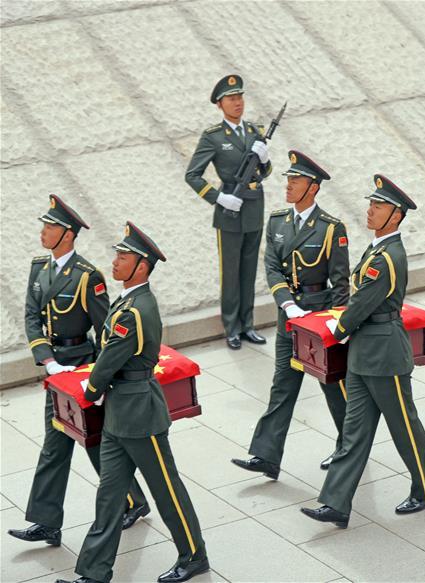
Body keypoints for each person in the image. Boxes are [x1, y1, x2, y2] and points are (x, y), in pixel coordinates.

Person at [61, 223, 208, 583]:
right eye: (117, 255)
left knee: (167, 491)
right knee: (110, 497)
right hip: (119, 414)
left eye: (123, 257)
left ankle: (194, 555)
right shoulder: (127, 300)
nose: (115, 262)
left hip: (140, 415)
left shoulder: (135, 311)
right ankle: (94, 572)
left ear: (141, 266)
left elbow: (109, 360)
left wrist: (90, 391)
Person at [8, 195, 149, 550]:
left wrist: (101, 381)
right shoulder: (39, 267)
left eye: (50, 227)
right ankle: (46, 522)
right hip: (57, 370)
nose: (43, 232)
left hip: (83, 368)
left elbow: (105, 333)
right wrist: (47, 359)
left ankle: (133, 501)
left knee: (94, 442)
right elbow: (31, 316)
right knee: (55, 445)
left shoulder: (88, 277)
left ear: (67, 235)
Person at [301, 175, 425, 528]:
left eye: (378, 207)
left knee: (403, 426)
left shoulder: (388, 256)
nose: (370, 211)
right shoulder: (377, 248)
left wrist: (339, 328)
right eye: (371, 204)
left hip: (384, 354)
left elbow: (362, 301)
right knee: (354, 432)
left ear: (395, 216)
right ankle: (335, 503)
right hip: (364, 353)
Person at [232, 150, 350, 477]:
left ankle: (349, 447)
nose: (289, 185)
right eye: (289, 179)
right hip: (290, 317)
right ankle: (266, 455)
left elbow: (341, 284)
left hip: (319, 318)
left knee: (333, 385)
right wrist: (287, 304)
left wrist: (337, 326)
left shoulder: (330, 229)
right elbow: (272, 267)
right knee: (282, 385)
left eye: (296, 180)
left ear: (313, 188)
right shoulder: (278, 222)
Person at [184, 74, 272, 350]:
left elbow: (265, 172)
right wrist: (218, 198)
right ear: (220, 104)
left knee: (248, 271)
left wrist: (266, 159)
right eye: (232, 99)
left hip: (254, 207)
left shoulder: (255, 132)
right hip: (230, 211)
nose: (238, 103)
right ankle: (231, 328)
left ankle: (248, 325)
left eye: (240, 97)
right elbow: (192, 175)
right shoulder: (213, 137)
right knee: (231, 273)